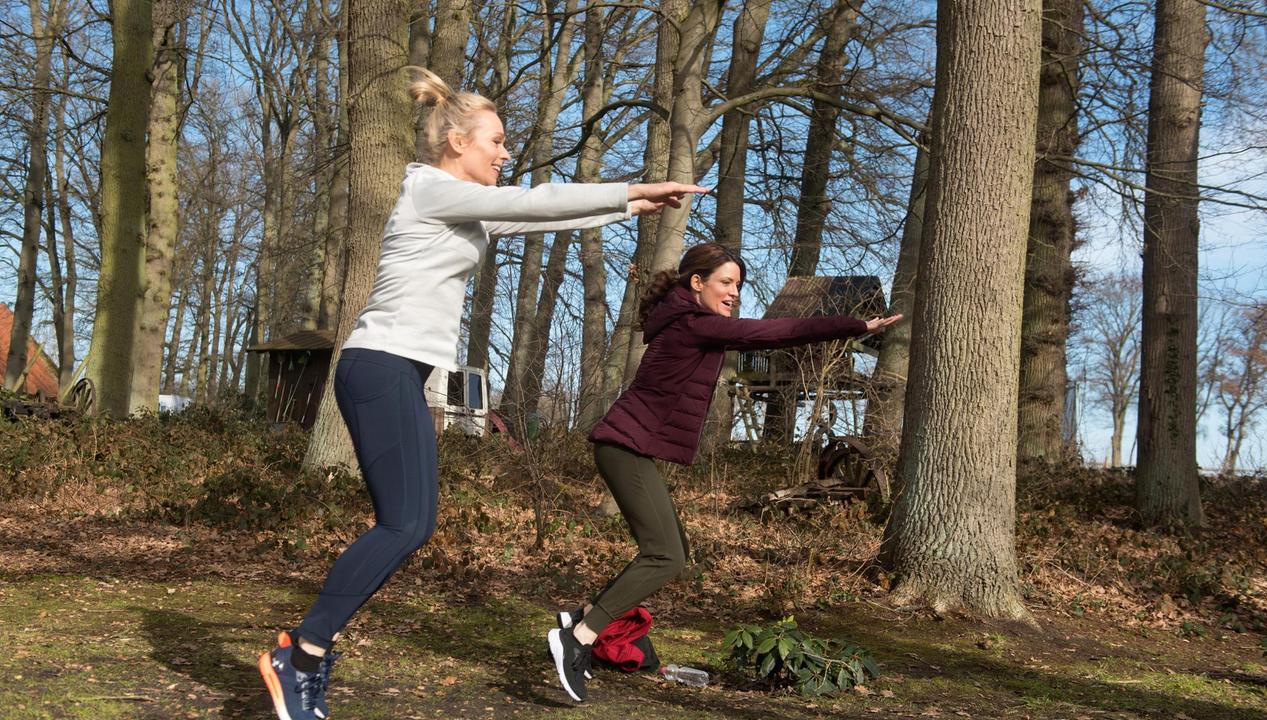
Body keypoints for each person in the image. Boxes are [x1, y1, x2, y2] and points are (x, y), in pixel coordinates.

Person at [257, 66, 707, 720]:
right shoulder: (430, 190)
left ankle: (307, 652)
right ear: (455, 143)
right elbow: (530, 202)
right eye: (494, 141)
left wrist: (630, 205)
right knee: (406, 524)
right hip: (379, 365)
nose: (504, 153)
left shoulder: (461, 213)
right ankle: (300, 655)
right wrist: (632, 185)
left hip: (392, 372)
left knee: (409, 526)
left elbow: (535, 221)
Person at [546, 242, 901, 702]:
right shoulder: (694, 324)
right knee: (664, 556)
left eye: (738, 285)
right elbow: (776, 331)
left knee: (675, 548)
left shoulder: (685, 320)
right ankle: (579, 637)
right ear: (697, 283)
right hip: (623, 447)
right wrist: (853, 325)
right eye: (726, 283)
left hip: (627, 448)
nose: (734, 293)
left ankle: (586, 617)